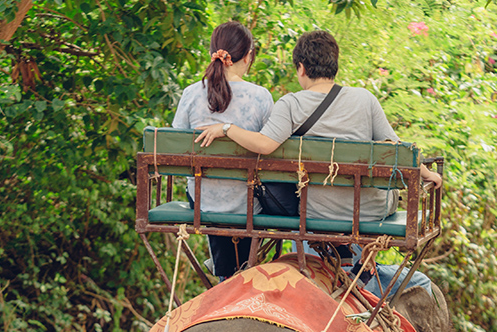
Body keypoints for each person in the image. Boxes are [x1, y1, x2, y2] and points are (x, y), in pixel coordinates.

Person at [195, 30, 440, 295]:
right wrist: (428, 174)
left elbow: (265, 145)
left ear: (300, 68)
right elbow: (398, 151)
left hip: (317, 214)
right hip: (368, 213)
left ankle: (316, 271)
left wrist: (227, 128)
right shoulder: (364, 99)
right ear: (334, 65)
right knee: (421, 284)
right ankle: (360, 275)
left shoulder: (290, 104)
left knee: (305, 212)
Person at [172, 21, 273, 279]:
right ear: (248, 57)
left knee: (209, 196)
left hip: (203, 203)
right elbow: (272, 151)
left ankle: (222, 269)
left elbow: (176, 148)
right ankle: (243, 268)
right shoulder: (260, 97)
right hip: (247, 205)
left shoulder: (191, 94)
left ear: (211, 53)